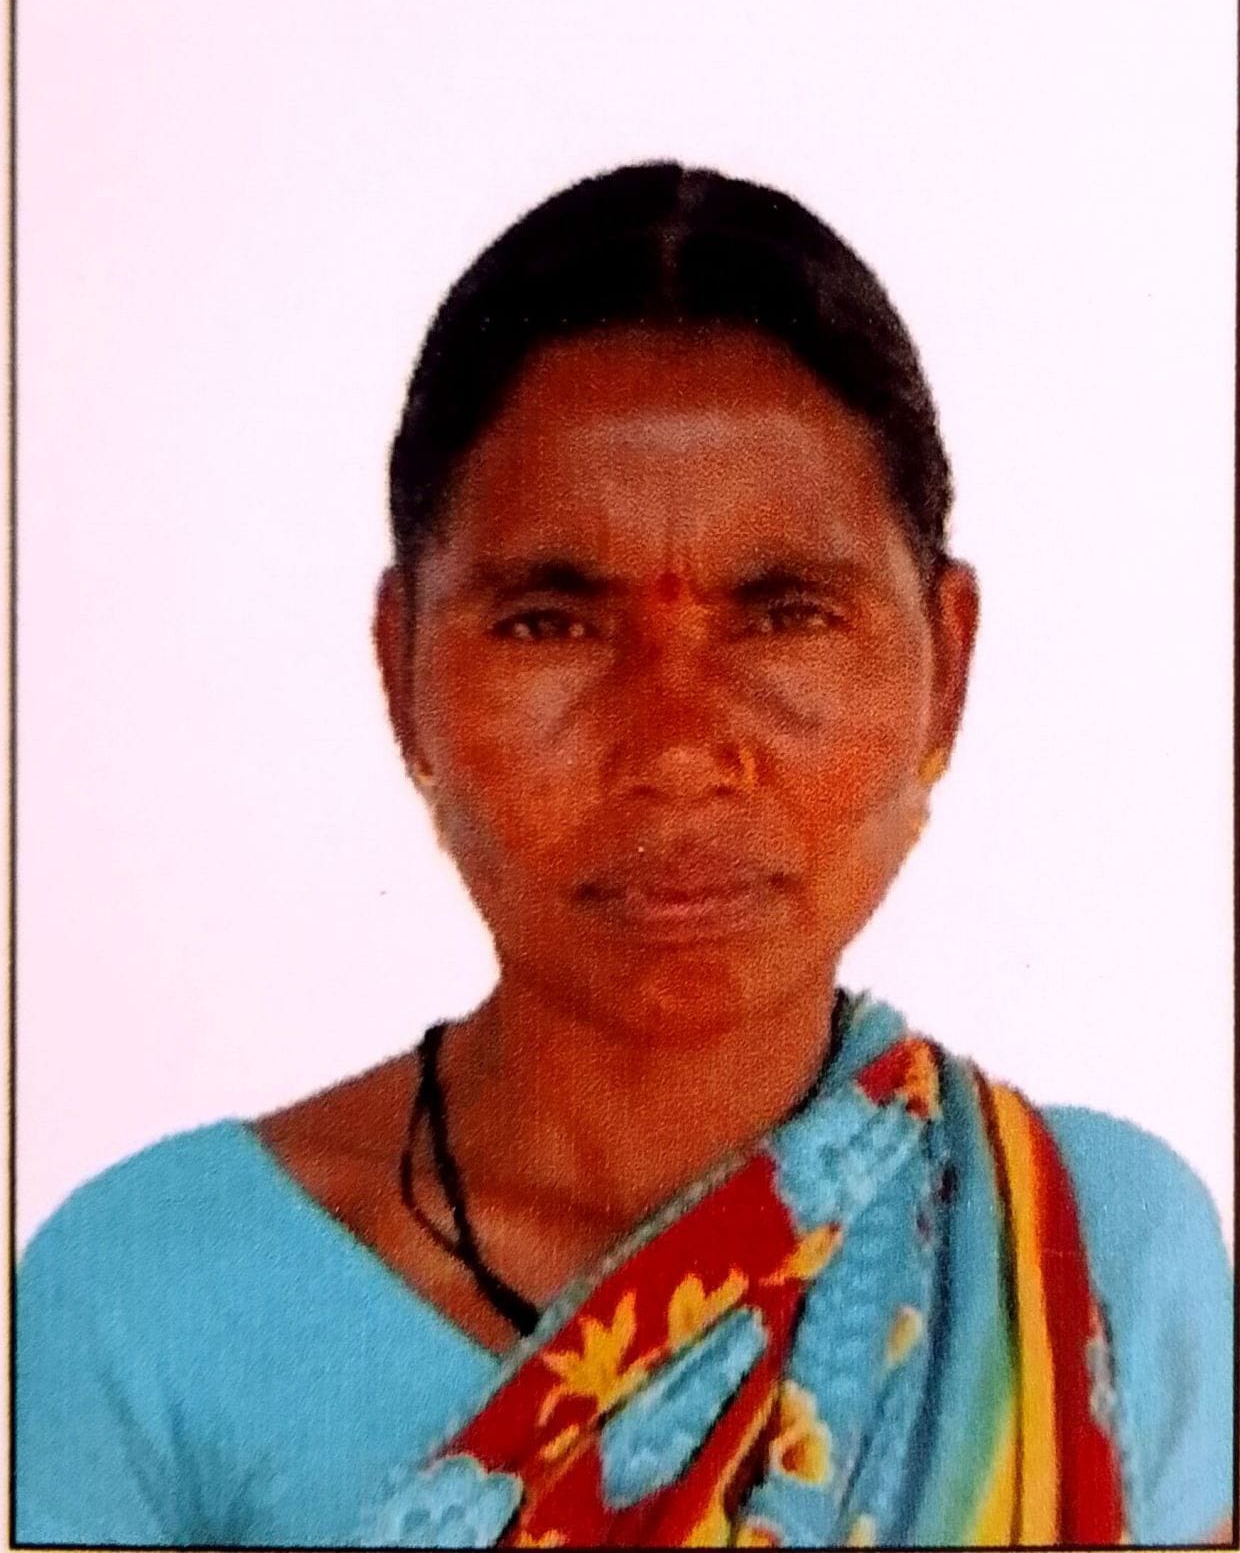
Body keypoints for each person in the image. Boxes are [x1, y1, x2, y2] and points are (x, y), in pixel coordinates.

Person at [16, 163, 1232, 1549]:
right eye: (551, 623)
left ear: (947, 671)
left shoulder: (1089, 1259)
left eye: (784, 614)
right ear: (401, 672)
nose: (675, 745)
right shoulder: (152, 1301)